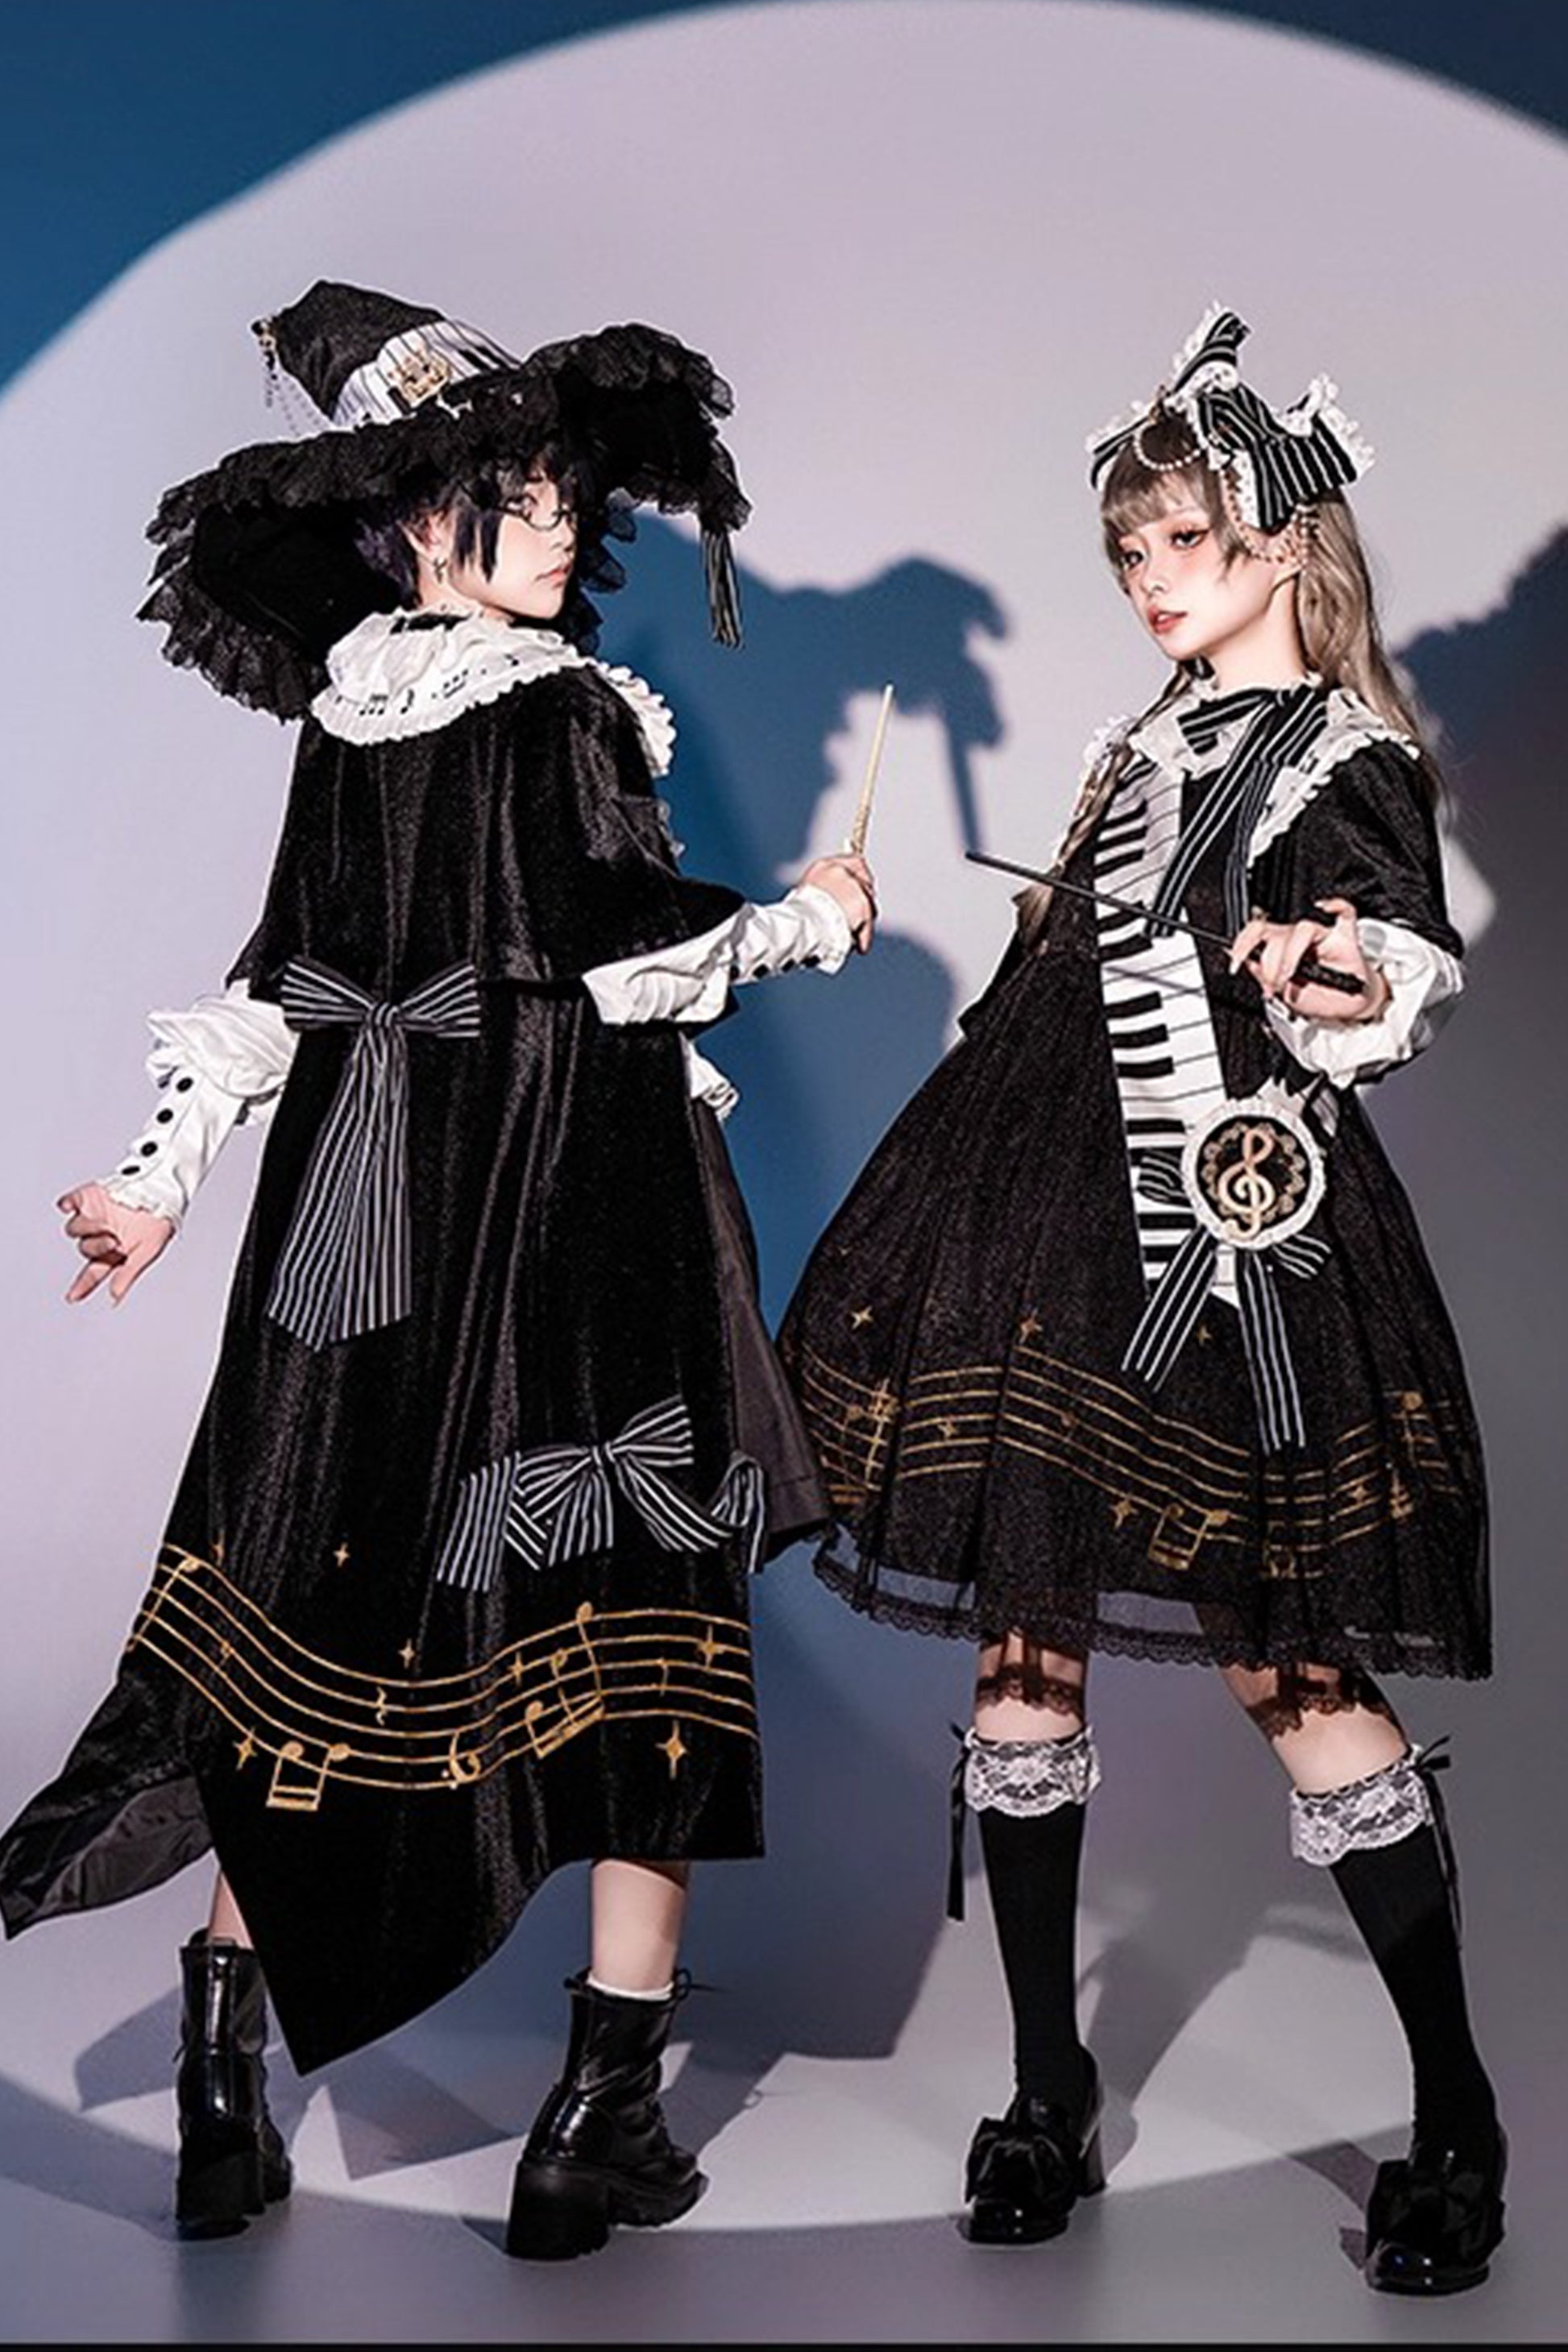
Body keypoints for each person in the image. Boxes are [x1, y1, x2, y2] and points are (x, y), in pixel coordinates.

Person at [0, 279, 875, 2260]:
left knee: (331, 1605)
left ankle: (221, 2078)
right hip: (565, 1211)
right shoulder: (561, 707)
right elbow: (620, 951)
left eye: (567, 492)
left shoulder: (350, 714)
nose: (560, 524)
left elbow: (275, 990)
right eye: (516, 493)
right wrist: (814, 917)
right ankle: (593, 2122)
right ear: (413, 521)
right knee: (639, 1609)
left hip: (357, 1229)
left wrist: (155, 1183)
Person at [778, 305, 1504, 2295]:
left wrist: (1325, 964)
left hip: (1220, 1256)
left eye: (1181, 542)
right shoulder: (1143, 747)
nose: (1149, 580)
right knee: (1023, 1641)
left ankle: (1455, 2110)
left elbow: (1393, 966)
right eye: (1128, 552)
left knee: (1291, 1662)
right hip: (1040, 1239)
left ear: (1279, 544)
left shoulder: (1340, 753)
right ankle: (1045, 2085)